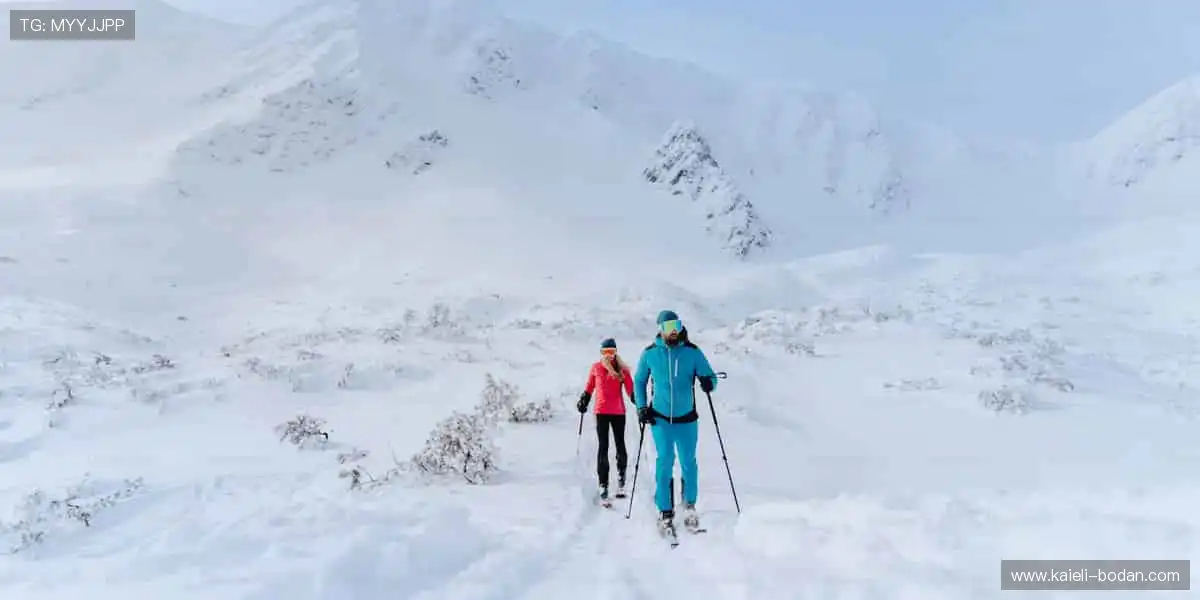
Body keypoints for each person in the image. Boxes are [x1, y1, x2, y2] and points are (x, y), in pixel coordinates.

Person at [633, 309, 718, 535]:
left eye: (677, 326)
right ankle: (665, 511)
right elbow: (639, 381)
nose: (673, 331)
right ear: (660, 329)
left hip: (687, 419)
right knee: (665, 461)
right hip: (660, 419)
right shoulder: (650, 354)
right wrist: (641, 407)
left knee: (689, 462)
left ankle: (689, 505)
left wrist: (709, 383)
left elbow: (710, 376)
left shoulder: (692, 352)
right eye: (669, 327)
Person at [577, 337, 634, 501]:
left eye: (611, 352)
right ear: (601, 353)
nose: (609, 355)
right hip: (601, 412)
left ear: (616, 352)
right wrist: (584, 400)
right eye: (605, 352)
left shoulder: (622, 370)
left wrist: (638, 401)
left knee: (620, 444)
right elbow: (589, 387)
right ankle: (603, 483)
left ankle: (621, 476)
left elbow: (630, 389)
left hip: (618, 412)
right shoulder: (596, 368)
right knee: (603, 446)